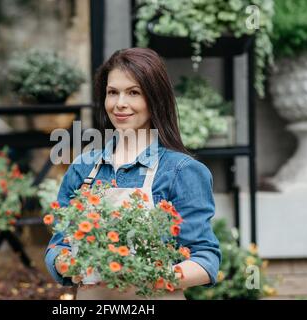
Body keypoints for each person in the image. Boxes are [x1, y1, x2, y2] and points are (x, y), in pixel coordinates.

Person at [44, 47, 221, 300]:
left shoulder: (181, 171)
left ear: (154, 99)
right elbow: (59, 244)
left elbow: (205, 258)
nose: (120, 104)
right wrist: (72, 267)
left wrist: (149, 278)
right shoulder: (83, 167)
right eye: (112, 93)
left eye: (133, 92)